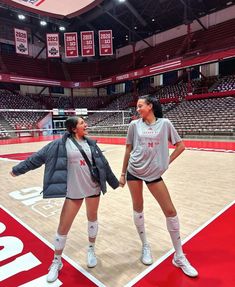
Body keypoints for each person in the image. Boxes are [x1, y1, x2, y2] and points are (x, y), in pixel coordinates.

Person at [10, 116, 119, 283]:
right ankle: (56, 261)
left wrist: (115, 182)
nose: (86, 124)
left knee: (92, 219)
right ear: (74, 128)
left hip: (93, 188)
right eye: (82, 123)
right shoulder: (58, 145)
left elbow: (103, 165)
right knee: (63, 227)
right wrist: (17, 170)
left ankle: (91, 249)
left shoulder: (91, 143)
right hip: (74, 191)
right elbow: (36, 158)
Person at [119, 95, 198, 277]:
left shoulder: (165, 124)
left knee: (170, 211)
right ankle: (145, 245)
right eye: (137, 107)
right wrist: (123, 174)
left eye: (140, 106)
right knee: (138, 207)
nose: (137, 109)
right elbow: (128, 150)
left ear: (150, 106)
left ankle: (179, 256)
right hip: (134, 171)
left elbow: (181, 146)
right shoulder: (133, 125)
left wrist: (166, 163)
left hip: (154, 174)